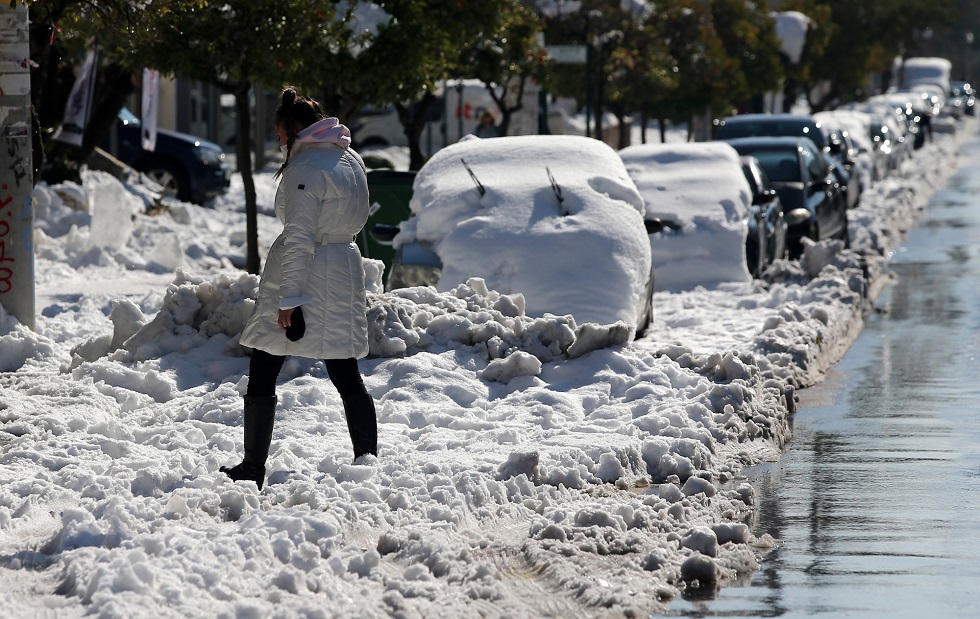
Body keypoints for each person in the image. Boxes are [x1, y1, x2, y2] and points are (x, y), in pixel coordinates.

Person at [221, 86, 377, 490]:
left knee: (264, 363)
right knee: (345, 370)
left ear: (291, 130)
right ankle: (367, 462)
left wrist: (289, 299)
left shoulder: (306, 168)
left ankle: (253, 466)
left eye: (278, 134)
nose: (278, 142)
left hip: (308, 273)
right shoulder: (349, 158)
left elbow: (300, 236)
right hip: (342, 268)